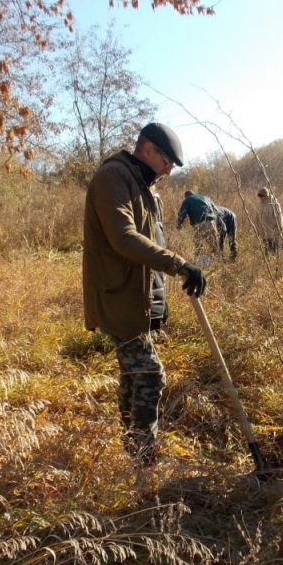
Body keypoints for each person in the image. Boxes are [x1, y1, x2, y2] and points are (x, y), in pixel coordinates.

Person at [83, 122, 207, 466]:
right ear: (148, 149)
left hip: (139, 301)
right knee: (150, 375)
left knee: (134, 377)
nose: (168, 171)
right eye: (166, 162)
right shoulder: (113, 177)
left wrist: (160, 301)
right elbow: (123, 238)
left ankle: (132, 451)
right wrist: (180, 265)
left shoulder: (146, 188)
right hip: (119, 299)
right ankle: (144, 457)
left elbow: (153, 243)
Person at [176, 189, 219, 266]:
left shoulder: (187, 200)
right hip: (211, 222)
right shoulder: (206, 197)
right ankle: (217, 263)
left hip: (199, 224)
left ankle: (200, 265)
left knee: (198, 245)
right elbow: (216, 209)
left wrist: (179, 224)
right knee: (214, 245)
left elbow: (183, 213)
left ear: (186, 196)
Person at [256, 186, 283, 253]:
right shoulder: (261, 205)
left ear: (266, 196)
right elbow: (257, 218)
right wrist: (258, 229)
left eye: (262, 196)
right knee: (266, 253)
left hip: (273, 234)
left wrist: (278, 230)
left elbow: (280, 218)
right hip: (264, 234)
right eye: (260, 196)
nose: (260, 198)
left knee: (273, 252)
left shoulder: (274, 204)